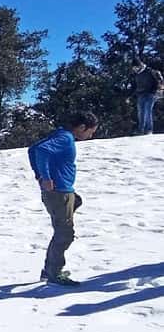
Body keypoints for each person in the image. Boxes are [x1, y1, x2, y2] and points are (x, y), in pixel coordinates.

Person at [27, 111, 99, 286]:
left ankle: (50, 269)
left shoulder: (61, 134)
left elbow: (33, 149)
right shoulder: (66, 138)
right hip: (59, 192)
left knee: (74, 207)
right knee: (65, 234)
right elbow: (41, 150)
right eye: (91, 131)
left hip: (62, 191)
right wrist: (44, 177)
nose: (91, 135)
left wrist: (40, 174)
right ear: (82, 127)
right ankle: (53, 272)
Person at [131, 58, 164, 135]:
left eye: (136, 67)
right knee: (140, 112)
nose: (135, 69)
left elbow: (159, 80)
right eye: (134, 68)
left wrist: (158, 89)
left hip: (151, 93)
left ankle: (148, 129)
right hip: (141, 94)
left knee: (147, 110)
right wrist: (131, 96)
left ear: (140, 65)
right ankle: (141, 129)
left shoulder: (150, 71)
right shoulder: (137, 75)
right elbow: (136, 86)